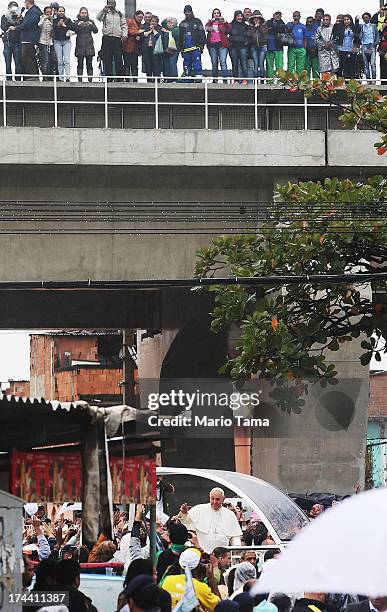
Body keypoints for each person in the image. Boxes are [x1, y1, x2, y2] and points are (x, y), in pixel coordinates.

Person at [177, 488, 242, 553]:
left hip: (222, 555)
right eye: (212, 499)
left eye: (217, 499)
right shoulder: (199, 509)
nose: (214, 502)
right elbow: (187, 521)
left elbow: (235, 535)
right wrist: (184, 513)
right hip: (203, 553)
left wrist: (236, 546)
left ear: (223, 499)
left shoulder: (229, 514)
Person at [96, 0, 127, 78]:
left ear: (115, 3)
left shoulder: (120, 14)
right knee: (107, 57)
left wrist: (124, 35)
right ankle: (108, 77)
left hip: (117, 38)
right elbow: (98, 18)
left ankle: (120, 77)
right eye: (110, 2)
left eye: (112, 2)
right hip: (107, 37)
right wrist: (104, 10)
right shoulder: (105, 12)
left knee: (118, 57)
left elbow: (124, 25)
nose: (111, 4)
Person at [12, 0, 42, 79]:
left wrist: (15, 28)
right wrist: (22, 19)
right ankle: (34, 75)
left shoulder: (34, 12)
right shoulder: (33, 11)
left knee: (25, 56)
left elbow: (28, 24)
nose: (24, 4)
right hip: (29, 37)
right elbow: (27, 22)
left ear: (28, 2)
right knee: (31, 56)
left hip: (29, 38)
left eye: (25, 2)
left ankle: (32, 75)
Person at [179, 5, 205, 80]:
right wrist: (181, 48)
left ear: (192, 12)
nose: (187, 13)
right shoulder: (182, 23)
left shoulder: (197, 21)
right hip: (186, 48)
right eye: (186, 12)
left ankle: (198, 77)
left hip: (196, 47)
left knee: (197, 62)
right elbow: (180, 37)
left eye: (189, 12)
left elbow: (202, 33)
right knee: (186, 64)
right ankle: (187, 77)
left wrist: (201, 45)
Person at [73, 7, 97, 81]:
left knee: (89, 64)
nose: (84, 14)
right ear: (79, 13)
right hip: (80, 45)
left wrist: (91, 25)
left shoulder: (91, 21)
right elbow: (74, 30)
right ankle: (79, 80)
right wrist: (78, 25)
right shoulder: (76, 22)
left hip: (89, 46)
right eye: (82, 13)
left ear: (87, 14)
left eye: (85, 13)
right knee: (80, 64)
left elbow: (96, 31)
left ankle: (90, 80)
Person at [205, 9, 230, 82]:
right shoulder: (210, 23)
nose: (216, 14)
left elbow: (229, 29)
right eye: (215, 13)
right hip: (212, 45)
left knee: (223, 62)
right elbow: (206, 28)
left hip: (222, 45)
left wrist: (224, 22)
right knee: (214, 62)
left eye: (218, 13)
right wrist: (210, 21)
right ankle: (215, 80)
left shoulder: (223, 23)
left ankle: (225, 80)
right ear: (213, 14)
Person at [1, 1, 23, 80]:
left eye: (15, 7)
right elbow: (3, 27)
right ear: (8, 8)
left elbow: (22, 27)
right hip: (7, 42)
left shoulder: (20, 17)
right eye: (12, 7)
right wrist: (10, 21)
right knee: (7, 62)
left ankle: (18, 79)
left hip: (17, 42)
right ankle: (9, 79)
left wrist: (19, 19)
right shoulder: (4, 17)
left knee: (18, 61)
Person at [53, 6, 74, 81]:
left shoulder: (68, 20)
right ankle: (61, 78)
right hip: (57, 42)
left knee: (66, 60)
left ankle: (68, 77)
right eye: (60, 11)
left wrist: (65, 26)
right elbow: (53, 28)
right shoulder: (54, 20)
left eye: (62, 11)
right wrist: (58, 25)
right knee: (60, 61)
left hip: (66, 42)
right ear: (57, 12)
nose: (61, 12)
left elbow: (74, 28)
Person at [337, 14, 361, 79]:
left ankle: (352, 82)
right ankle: (344, 82)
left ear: (350, 20)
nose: (346, 21)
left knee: (352, 67)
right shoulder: (341, 28)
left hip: (352, 49)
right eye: (344, 20)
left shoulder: (354, 28)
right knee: (344, 67)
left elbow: (358, 38)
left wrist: (356, 47)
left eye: (347, 19)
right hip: (343, 49)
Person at [228, 10, 248, 84]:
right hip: (233, 46)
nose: (239, 17)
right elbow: (225, 31)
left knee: (243, 63)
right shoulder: (231, 25)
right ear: (235, 17)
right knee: (234, 63)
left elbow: (249, 34)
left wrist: (246, 41)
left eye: (241, 16)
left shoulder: (245, 25)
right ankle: (236, 80)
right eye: (238, 16)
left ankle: (245, 79)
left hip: (243, 46)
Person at [123, 10, 144, 80]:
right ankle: (127, 80)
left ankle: (135, 80)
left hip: (135, 48)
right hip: (128, 46)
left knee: (135, 64)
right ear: (135, 16)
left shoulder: (141, 25)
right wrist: (138, 32)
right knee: (127, 64)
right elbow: (128, 31)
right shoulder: (130, 21)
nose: (140, 18)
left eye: (141, 17)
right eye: (139, 17)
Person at [265, 11, 286, 79]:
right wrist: (273, 29)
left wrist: (272, 28)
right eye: (276, 14)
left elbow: (281, 29)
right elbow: (265, 30)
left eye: (279, 15)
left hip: (279, 48)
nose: (278, 16)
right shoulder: (268, 22)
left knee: (279, 66)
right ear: (273, 15)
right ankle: (269, 82)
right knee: (269, 66)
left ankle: (281, 82)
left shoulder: (282, 24)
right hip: (269, 47)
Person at [141, 14, 162, 79]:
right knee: (148, 65)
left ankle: (157, 81)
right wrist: (150, 30)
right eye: (152, 21)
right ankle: (149, 81)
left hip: (156, 50)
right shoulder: (145, 28)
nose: (153, 23)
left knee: (156, 65)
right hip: (146, 50)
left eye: (155, 21)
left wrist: (153, 30)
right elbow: (142, 36)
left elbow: (159, 36)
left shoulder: (160, 28)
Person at [247, 13, 267, 79]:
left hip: (262, 47)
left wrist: (259, 26)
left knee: (261, 64)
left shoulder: (264, 26)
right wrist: (254, 27)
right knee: (255, 64)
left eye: (257, 18)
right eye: (255, 18)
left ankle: (262, 81)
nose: (256, 19)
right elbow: (249, 35)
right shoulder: (250, 27)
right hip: (254, 47)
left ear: (260, 19)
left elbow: (265, 32)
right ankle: (255, 81)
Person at [360, 13, 378, 81]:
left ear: (369, 18)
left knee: (373, 64)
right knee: (366, 64)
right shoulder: (361, 26)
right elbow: (359, 35)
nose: (365, 19)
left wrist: (375, 44)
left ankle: (374, 80)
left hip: (372, 45)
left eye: (367, 17)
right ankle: (368, 80)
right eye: (364, 18)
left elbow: (377, 35)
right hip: (364, 46)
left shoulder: (373, 26)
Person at [161, 17, 180, 82]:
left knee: (172, 63)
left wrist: (168, 32)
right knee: (167, 64)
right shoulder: (169, 30)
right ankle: (169, 79)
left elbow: (176, 35)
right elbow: (162, 23)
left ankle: (174, 78)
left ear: (172, 23)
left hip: (174, 50)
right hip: (169, 50)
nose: (167, 24)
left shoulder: (176, 29)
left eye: (168, 22)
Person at [38, 6, 53, 76]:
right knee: (45, 59)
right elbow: (39, 25)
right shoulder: (42, 18)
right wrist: (44, 18)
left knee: (50, 60)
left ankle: (49, 75)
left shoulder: (52, 19)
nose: (49, 14)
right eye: (47, 12)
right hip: (43, 41)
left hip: (50, 42)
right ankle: (44, 75)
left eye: (50, 12)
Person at [379, 17, 387, 83]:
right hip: (382, 50)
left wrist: (384, 37)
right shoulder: (383, 30)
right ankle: (383, 81)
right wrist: (382, 29)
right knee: (383, 66)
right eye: (385, 22)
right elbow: (379, 37)